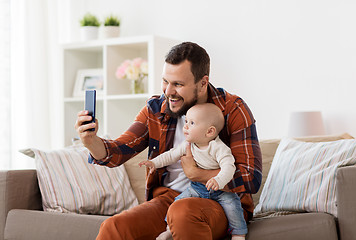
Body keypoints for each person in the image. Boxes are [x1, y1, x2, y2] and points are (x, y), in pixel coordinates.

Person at [75, 42, 262, 240]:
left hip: (222, 202)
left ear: (202, 83)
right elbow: (119, 151)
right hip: (169, 199)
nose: (168, 91)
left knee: (182, 212)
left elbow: (251, 178)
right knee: (114, 227)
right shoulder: (156, 109)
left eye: (178, 84)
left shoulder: (232, 109)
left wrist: (198, 174)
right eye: (166, 81)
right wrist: (90, 141)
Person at [139, 103, 248, 240]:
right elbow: (171, 155)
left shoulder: (219, 148)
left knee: (233, 206)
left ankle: (238, 234)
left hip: (221, 190)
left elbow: (229, 167)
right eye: (186, 121)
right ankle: (169, 229)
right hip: (197, 188)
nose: (185, 126)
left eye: (192, 123)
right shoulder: (188, 145)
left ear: (209, 132)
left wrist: (218, 180)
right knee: (177, 203)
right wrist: (154, 163)